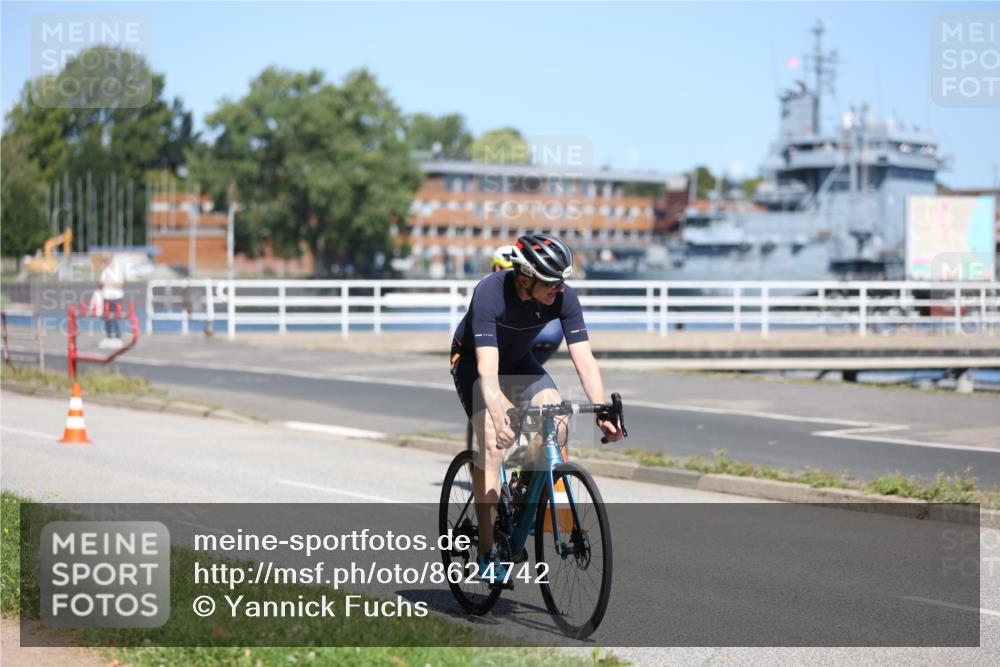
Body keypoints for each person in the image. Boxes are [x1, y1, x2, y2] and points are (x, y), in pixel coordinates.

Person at [450, 233, 622, 585]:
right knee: (493, 443)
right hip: (474, 362)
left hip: (519, 361)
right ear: (525, 278)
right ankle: (486, 552)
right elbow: (487, 369)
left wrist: (603, 409)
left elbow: (585, 360)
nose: (559, 289)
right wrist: (498, 412)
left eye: (563, 282)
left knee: (557, 423)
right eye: (552, 282)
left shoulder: (562, 296)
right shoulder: (489, 293)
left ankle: (523, 485)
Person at [491, 245, 564, 365]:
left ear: (497, 267)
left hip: (520, 337)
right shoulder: (544, 285)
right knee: (526, 376)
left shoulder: (492, 286)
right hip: (554, 332)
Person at [98, 255, 124, 348]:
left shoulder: (118, 270)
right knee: (107, 317)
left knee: (115, 317)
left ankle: (117, 336)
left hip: (116, 297)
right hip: (106, 296)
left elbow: (120, 284)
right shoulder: (105, 270)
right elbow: (100, 282)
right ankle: (108, 336)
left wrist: (108, 282)